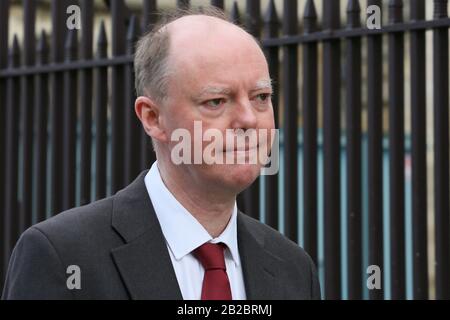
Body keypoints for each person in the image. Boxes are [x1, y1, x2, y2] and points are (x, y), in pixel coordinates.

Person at [2, 7, 320, 300]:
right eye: (217, 101)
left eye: (261, 97)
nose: (249, 119)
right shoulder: (62, 256)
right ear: (153, 118)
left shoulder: (294, 268)